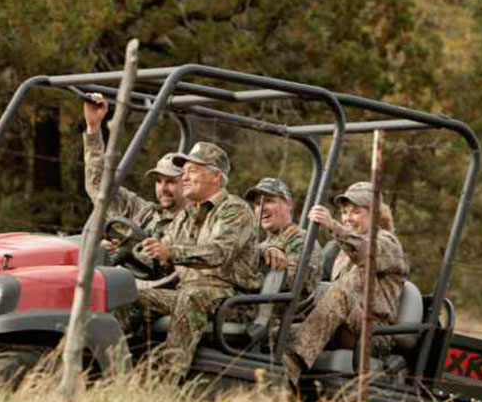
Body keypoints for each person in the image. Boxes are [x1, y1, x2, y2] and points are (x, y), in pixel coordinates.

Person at [137, 142, 261, 378]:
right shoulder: (185, 215)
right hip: (190, 293)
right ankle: (117, 372)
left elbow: (218, 253)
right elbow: (164, 249)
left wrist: (171, 253)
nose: (184, 177)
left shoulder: (235, 210)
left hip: (231, 301)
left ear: (216, 177)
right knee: (131, 295)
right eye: (184, 171)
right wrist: (146, 251)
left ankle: (169, 381)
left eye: (192, 171)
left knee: (191, 297)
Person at [282, 181, 409, 387]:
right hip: (339, 326)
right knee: (279, 331)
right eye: (344, 212)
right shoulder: (342, 250)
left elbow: (365, 252)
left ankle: (289, 370)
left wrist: (333, 226)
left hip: (372, 334)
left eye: (356, 212)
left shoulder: (388, 244)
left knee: (337, 293)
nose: (348, 218)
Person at [82, 94, 185, 239]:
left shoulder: (198, 224)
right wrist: (93, 127)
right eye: (158, 181)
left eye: (171, 182)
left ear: (187, 184)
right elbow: (99, 186)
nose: (163, 189)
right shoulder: (146, 214)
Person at [244, 177, 324, 302]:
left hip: (284, 311)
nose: (262, 208)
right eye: (258, 204)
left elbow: (290, 284)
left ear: (289, 204)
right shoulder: (265, 244)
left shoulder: (302, 240)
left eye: (269, 201)